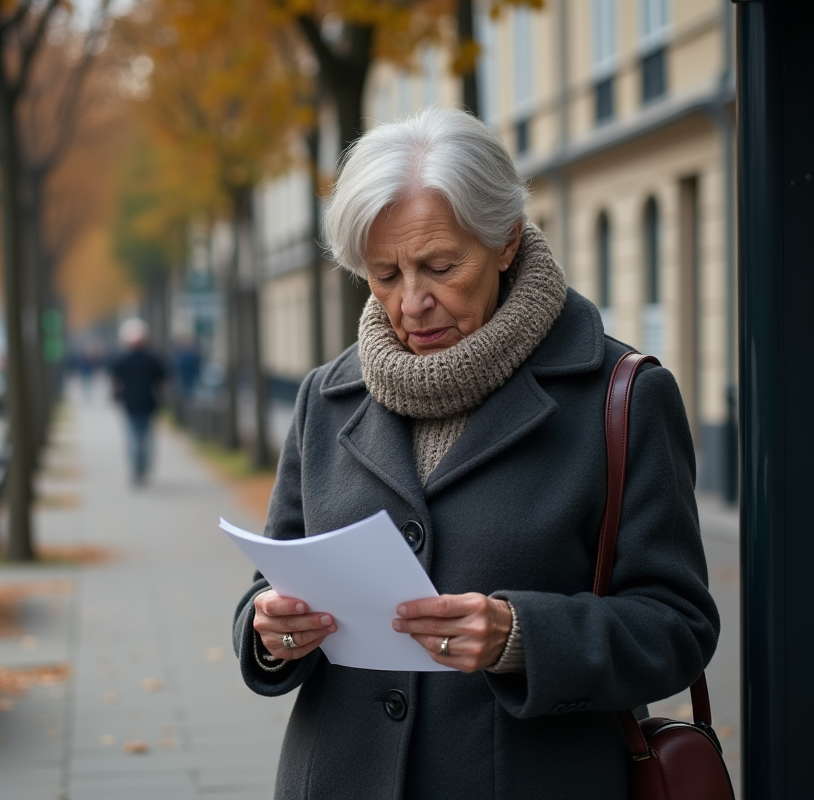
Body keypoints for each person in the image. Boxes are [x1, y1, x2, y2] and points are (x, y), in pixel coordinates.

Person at [231, 107, 719, 799]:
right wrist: (270, 629)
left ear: (506, 241)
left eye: (440, 266)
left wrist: (521, 637)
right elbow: (270, 582)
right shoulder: (325, 396)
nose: (412, 302)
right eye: (384, 274)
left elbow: (678, 627)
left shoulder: (622, 396)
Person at [110, 319, 165, 485]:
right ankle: (144, 467)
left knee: (132, 437)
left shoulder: (123, 359)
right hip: (149, 402)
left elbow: (116, 382)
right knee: (147, 437)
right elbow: (161, 382)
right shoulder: (153, 359)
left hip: (130, 403)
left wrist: (116, 398)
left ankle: (136, 469)